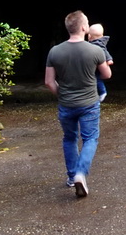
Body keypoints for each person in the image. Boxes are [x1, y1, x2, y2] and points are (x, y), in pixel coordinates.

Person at [45, 10, 111, 198]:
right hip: (89, 103)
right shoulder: (95, 50)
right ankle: (81, 173)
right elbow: (107, 75)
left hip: (66, 104)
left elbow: (49, 82)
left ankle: (72, 176)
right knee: (90, 138)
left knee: (69, 138)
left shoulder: (54, 51)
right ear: (83, 27)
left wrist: (63, 95)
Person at [86, 23, 114, 103]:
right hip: (95, 66)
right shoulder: (101, 44)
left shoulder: (96, 45)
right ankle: (100, 92)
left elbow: (103, 51)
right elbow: (105, 51)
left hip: (95, 68)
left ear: (89, 36)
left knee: (96, 79)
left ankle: (102, 92)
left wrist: (108, 59)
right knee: (96, 79)